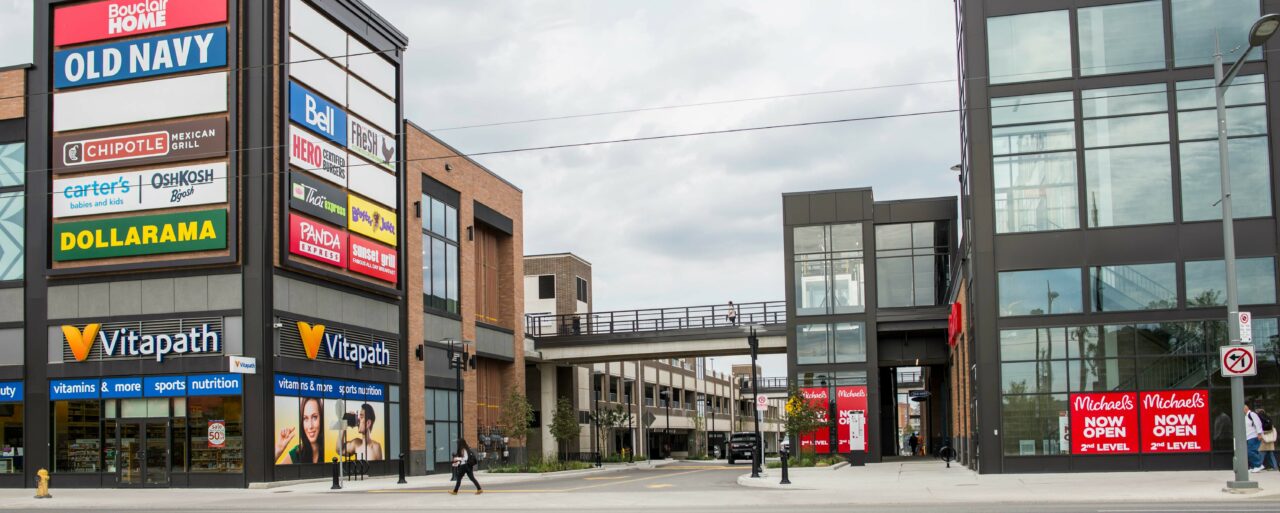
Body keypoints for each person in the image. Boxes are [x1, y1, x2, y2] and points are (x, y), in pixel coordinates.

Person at [275, 397, 324, 464]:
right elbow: (271, 472)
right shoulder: (295, 454)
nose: (310, 426)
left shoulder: (328, 451)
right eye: (305, 418)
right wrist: (278, 449)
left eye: (314, 417)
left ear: (321, 419)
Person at [1247, 403, 1265, 473]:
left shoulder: (1251, 414)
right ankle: (1253, 466)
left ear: (1246, 408)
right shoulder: (1245, 416)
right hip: (1248, 437)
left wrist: (1259, 434)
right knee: (1250, 452)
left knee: (1251, 451)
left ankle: (1258, 465)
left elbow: (1258, 424)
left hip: (1253, 436)